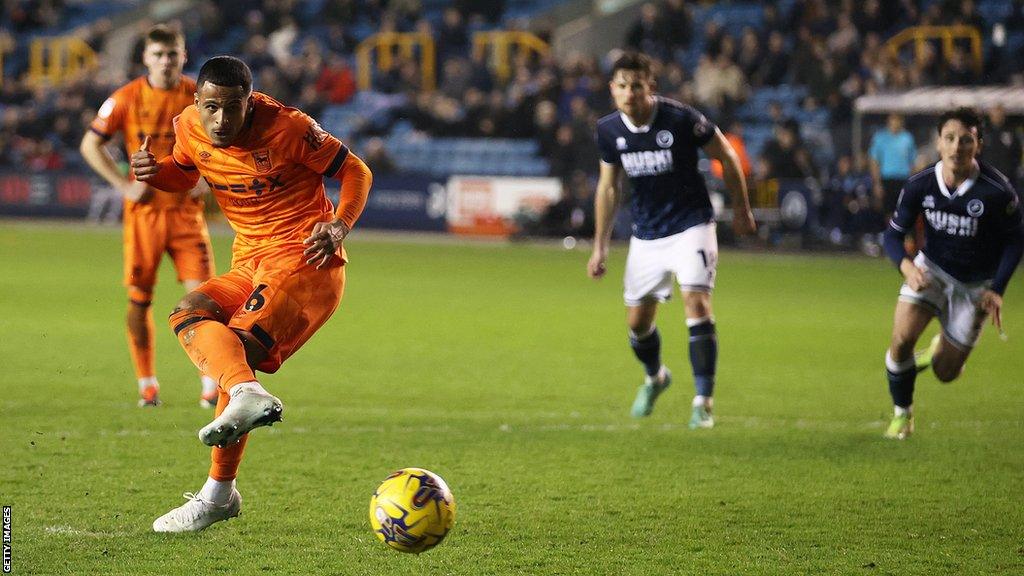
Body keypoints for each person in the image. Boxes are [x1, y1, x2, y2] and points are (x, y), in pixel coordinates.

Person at [130, 55, 372, 530]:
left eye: (233, 107)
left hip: (306, 261)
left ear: (250, 101)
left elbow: (357, 172)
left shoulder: (289, 128)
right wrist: (153, 171)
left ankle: (217, 491)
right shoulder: (187, 127)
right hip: (250, 261)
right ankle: (228, 463)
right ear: (196, 101)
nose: (221, 120)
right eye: (211, 107)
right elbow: (185, 171)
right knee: (189, 311)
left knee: (238, 348)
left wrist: (339, 226)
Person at [587, 51, 756, 429]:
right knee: (638, 324)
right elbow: (608, 187)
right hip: (646, 235)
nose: (629, 92)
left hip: (692, 224)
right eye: (622, 86)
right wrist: (599, 245)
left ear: (651, 87)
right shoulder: (608, 131)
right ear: (612, 90)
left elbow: (726, 155)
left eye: (637, 85)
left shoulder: (681, 120)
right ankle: (655, 378)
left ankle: (703, 403)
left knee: (696, 303)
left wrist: (742, 210)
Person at [80, 25, 218, 408]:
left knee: (204, 301)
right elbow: (90, 144)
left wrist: (208, 177)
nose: (165, 61)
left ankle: (210, 384)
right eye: (158, 55)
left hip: (187, 215)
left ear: (184, 55)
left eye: (172, 54)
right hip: (144, 217)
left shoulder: (198, 96)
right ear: (145, 58)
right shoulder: (125, 99)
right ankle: (148, 383)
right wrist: (121, 186)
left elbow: (224, 140)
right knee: (140, 302)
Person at [881, 107, 1023, 440]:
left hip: (975, 286)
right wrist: (905, 266)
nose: (957, 146)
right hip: (930, 271)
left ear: (979, 145)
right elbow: (891, 235)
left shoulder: (997, 192)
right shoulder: (920, 184)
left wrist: (997, 288)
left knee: (946, 373)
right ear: (938, 143)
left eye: (966, 139)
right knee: (900, 341)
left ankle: (937, 351)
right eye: (950, 138)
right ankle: (903, 415)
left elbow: (1016, 242)